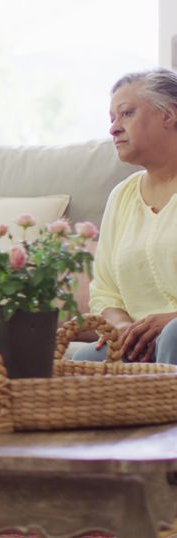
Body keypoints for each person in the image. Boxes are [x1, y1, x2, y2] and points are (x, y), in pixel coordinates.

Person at [73, 68, 177, 368]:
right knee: (87, 359)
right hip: (141, 343)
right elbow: (104, 290)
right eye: (112, 119)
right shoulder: (122, 196)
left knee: (173, 336)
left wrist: (170, 321)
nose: (114, 129)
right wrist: (120, 327)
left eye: (126, 114)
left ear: (168, 115)